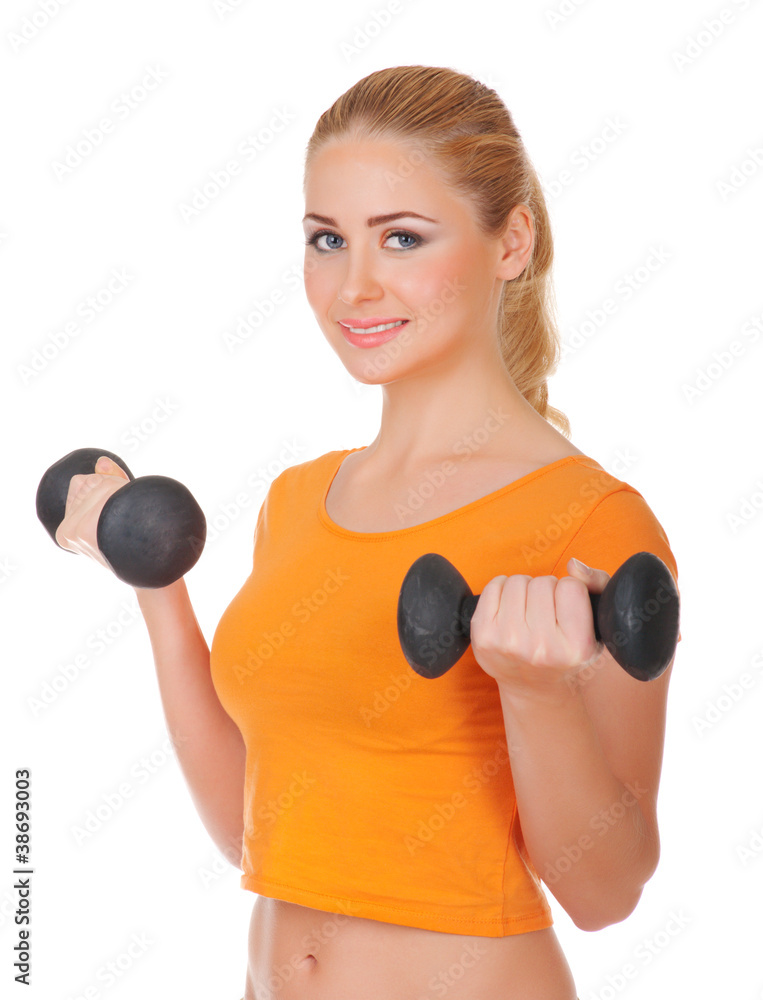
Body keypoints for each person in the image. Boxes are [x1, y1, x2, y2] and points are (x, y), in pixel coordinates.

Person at [55, 65, 679, 1000]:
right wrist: (152, 580)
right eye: (327, 240)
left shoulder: (592, 520)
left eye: (401, 238)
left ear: (510, 243)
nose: (354, 287)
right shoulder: (299, 499)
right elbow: (253, 833)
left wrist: (535, 692)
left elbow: (606, 892)